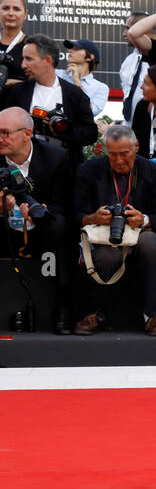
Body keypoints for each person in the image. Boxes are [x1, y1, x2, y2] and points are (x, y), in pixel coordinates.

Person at [71, 125, 156, 336]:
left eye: (124, 154)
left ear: (136, 147)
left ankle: (154, 314)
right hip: (103, 233)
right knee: (105, 255)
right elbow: (75, 213)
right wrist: (92, 218)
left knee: (150, 244)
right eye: (112, 154)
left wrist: (144, 219)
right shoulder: (88, 170)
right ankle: (94, 313)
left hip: (141, 232)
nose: (118, 160)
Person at [0, 107, 75, 333]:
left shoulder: (56, 157)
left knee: (60, 226)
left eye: (5, 133)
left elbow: (65, 203)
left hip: (42, 221)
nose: (0, 139)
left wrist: (41, 210)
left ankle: (63, 307)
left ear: (27, 134)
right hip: (4, 222)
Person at [1, 35, 97, 154]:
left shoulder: (75, 95)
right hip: (22, 167)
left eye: (29, 59)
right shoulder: (16, 92)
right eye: (23, 59)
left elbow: (90, 134)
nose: (23, 65)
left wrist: (62, 129)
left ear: (47, 60)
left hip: (64, 168)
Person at [58, 39, 109, 116]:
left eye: (76, 49)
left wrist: (77, 82)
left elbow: (91, 112)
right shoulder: (56, 74)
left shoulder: (101, 88)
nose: (70, 50)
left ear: (89, 57)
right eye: (71, 48)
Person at [0, 0, 30, 87]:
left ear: (25, 14)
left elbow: (41, 84)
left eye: (16, 9)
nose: (10, 13)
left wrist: (17, 83)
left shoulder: (31, 47)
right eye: (5, 8)